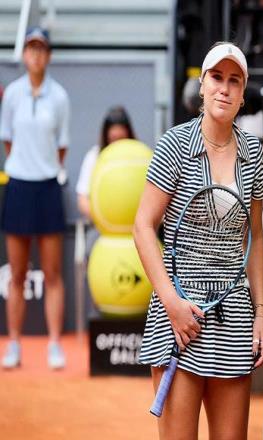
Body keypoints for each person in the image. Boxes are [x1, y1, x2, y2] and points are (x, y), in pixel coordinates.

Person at [133, 42, 263, 439]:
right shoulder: (173, 145)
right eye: (217, 78)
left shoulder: (254, 154)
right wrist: (172, 304)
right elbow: (143, 227)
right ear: (203, 85)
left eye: (234, 81)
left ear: (242, 95)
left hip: (234, 316)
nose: (224, 88)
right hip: (178, 316)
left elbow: (254, 237)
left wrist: (260, 314)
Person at [0, 27, 70, 369]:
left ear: (48, 55)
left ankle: (55, 344)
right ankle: (13, 344)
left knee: (53, 273)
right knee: (17, 274)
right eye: (31, 48)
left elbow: (62, 146)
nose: (36, 54)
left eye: (42, 48)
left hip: (47, 188)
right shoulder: (12, 94)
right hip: (19, 187)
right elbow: (8, 141)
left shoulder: (60, 97)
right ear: (24, 54)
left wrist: (42, 168)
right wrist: (25, 167)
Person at [76, 106, 136, 219]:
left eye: (121, 139)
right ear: (106, 137)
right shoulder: (94, 156)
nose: (117, 144)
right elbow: (82, 200)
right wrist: (104, 219)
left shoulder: (139, 157)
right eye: (113, 139)